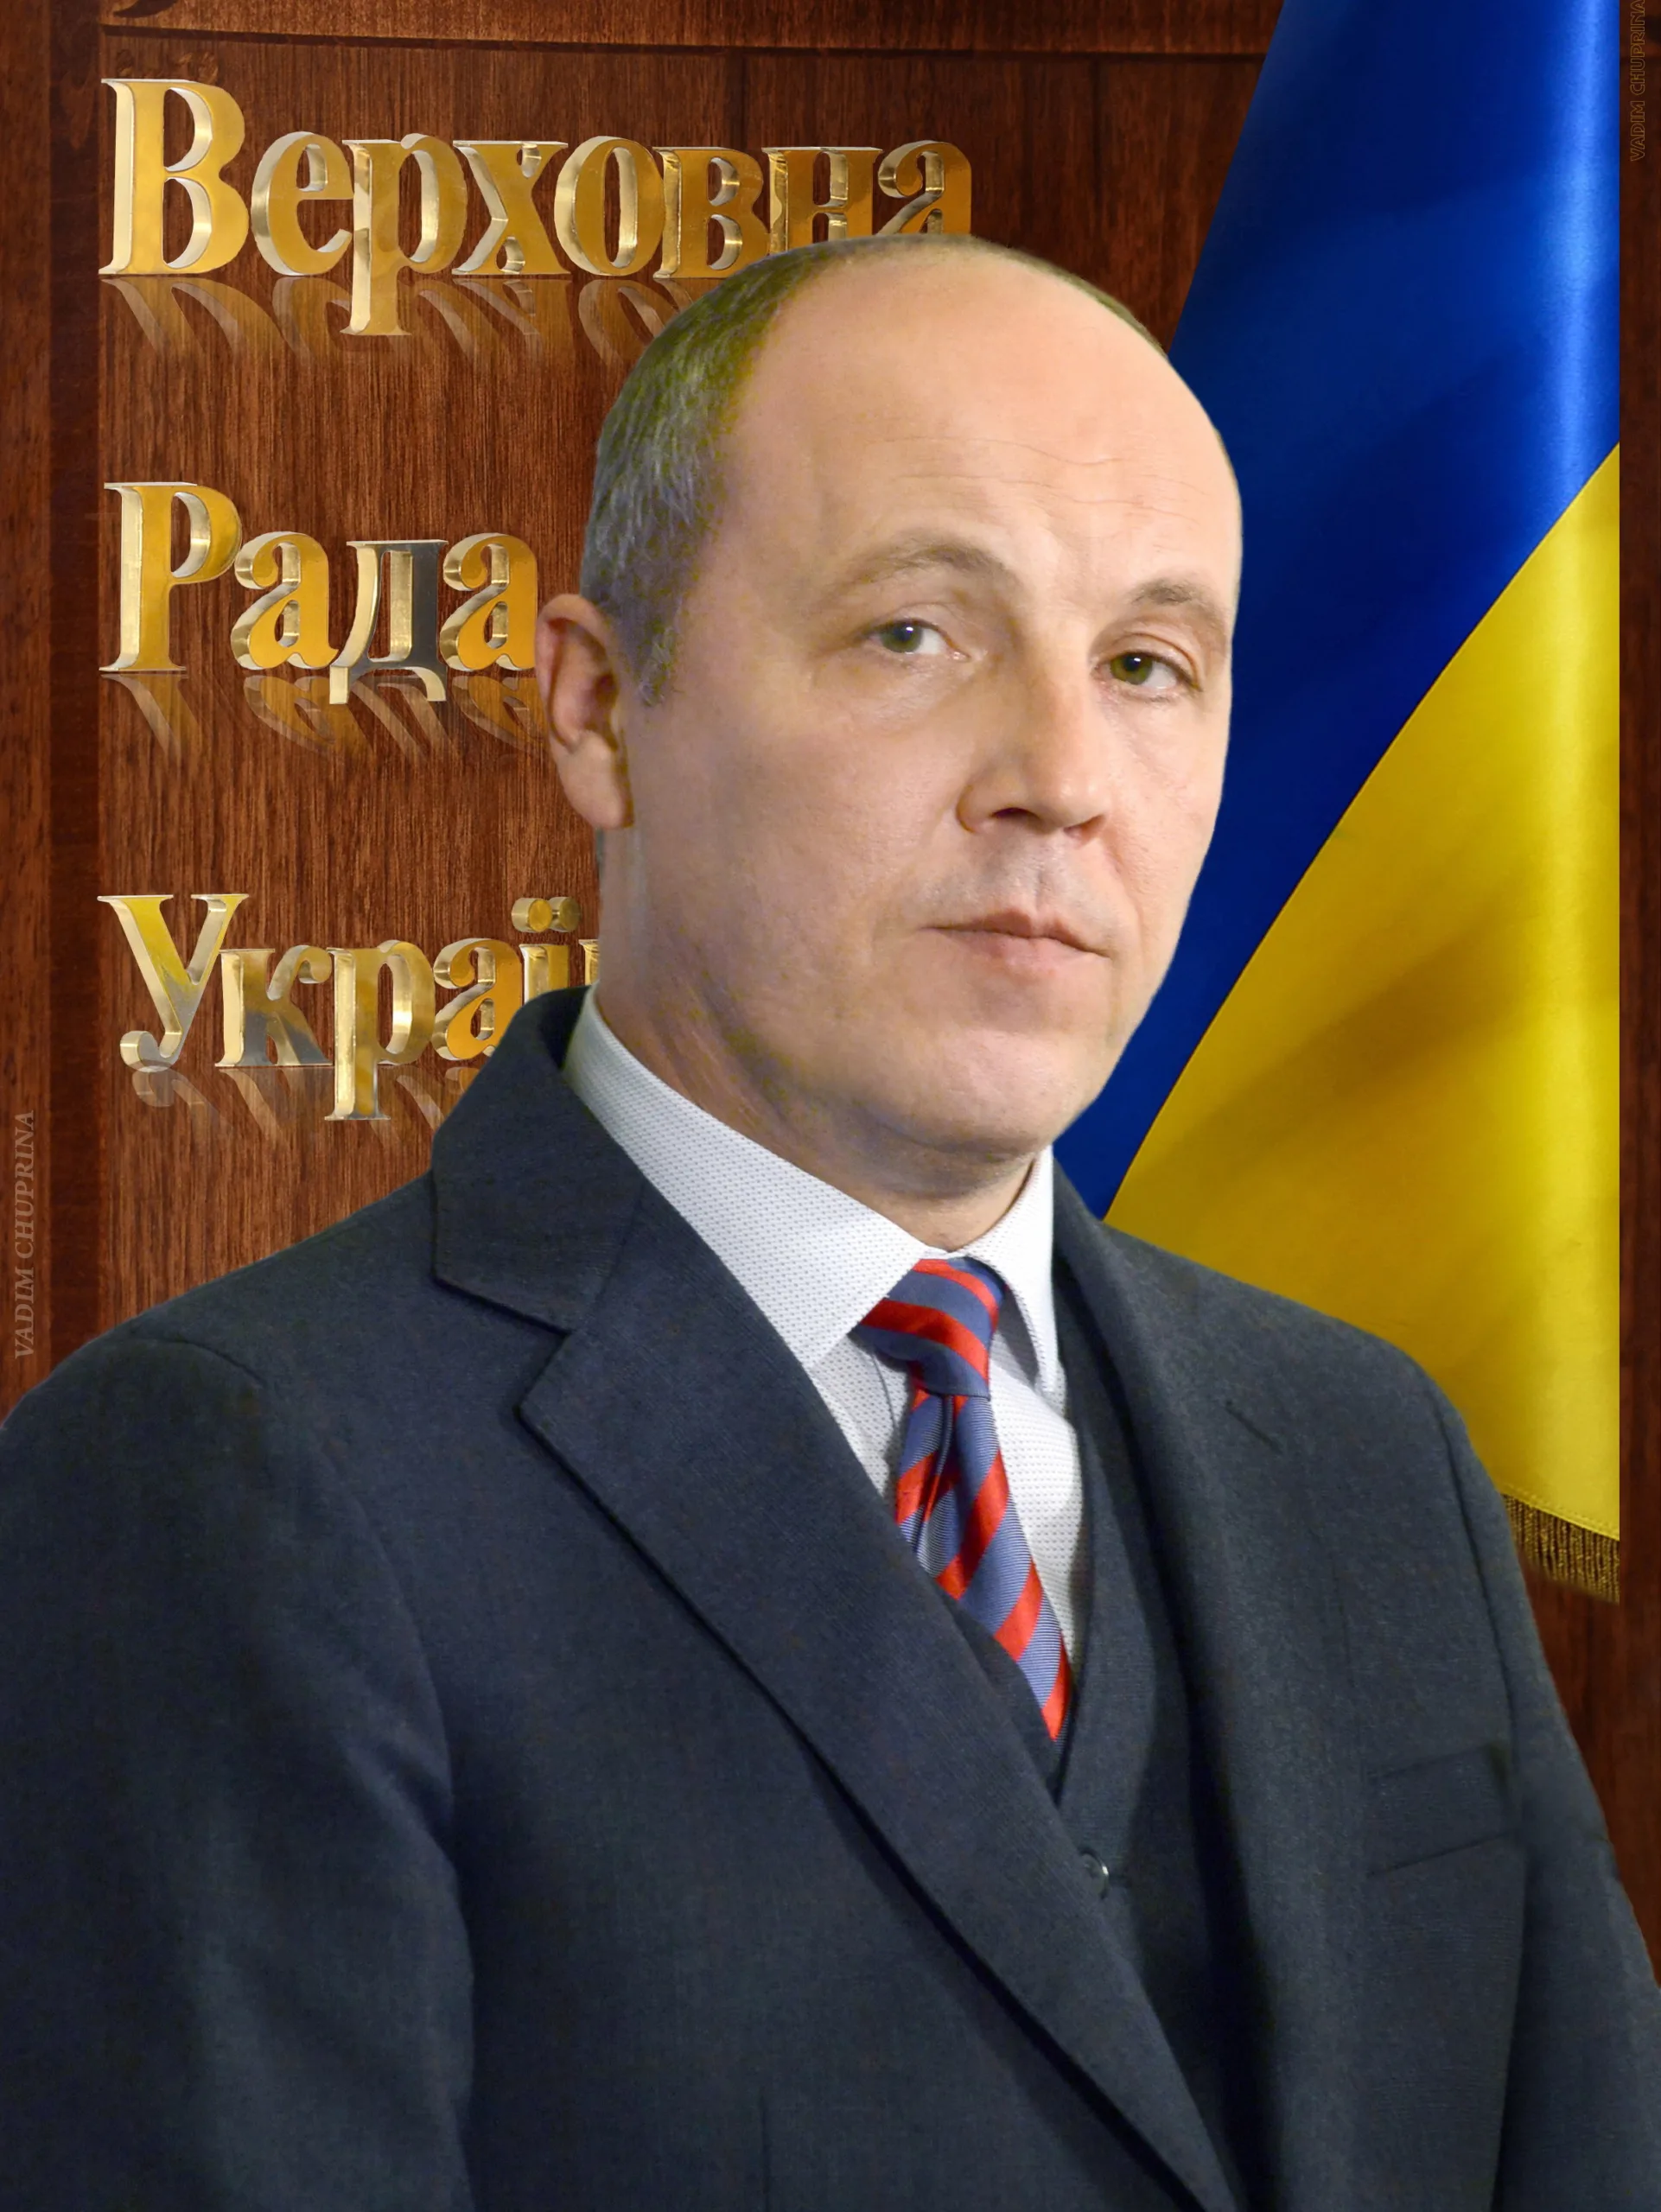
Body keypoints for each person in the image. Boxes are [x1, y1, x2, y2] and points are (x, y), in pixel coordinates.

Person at [1, 235, 1656, 2212]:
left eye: (1147, 664)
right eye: (914, 633)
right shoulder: (224, 1474)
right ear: (600, 708)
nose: (1061, 781)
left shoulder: (1365, 1445)